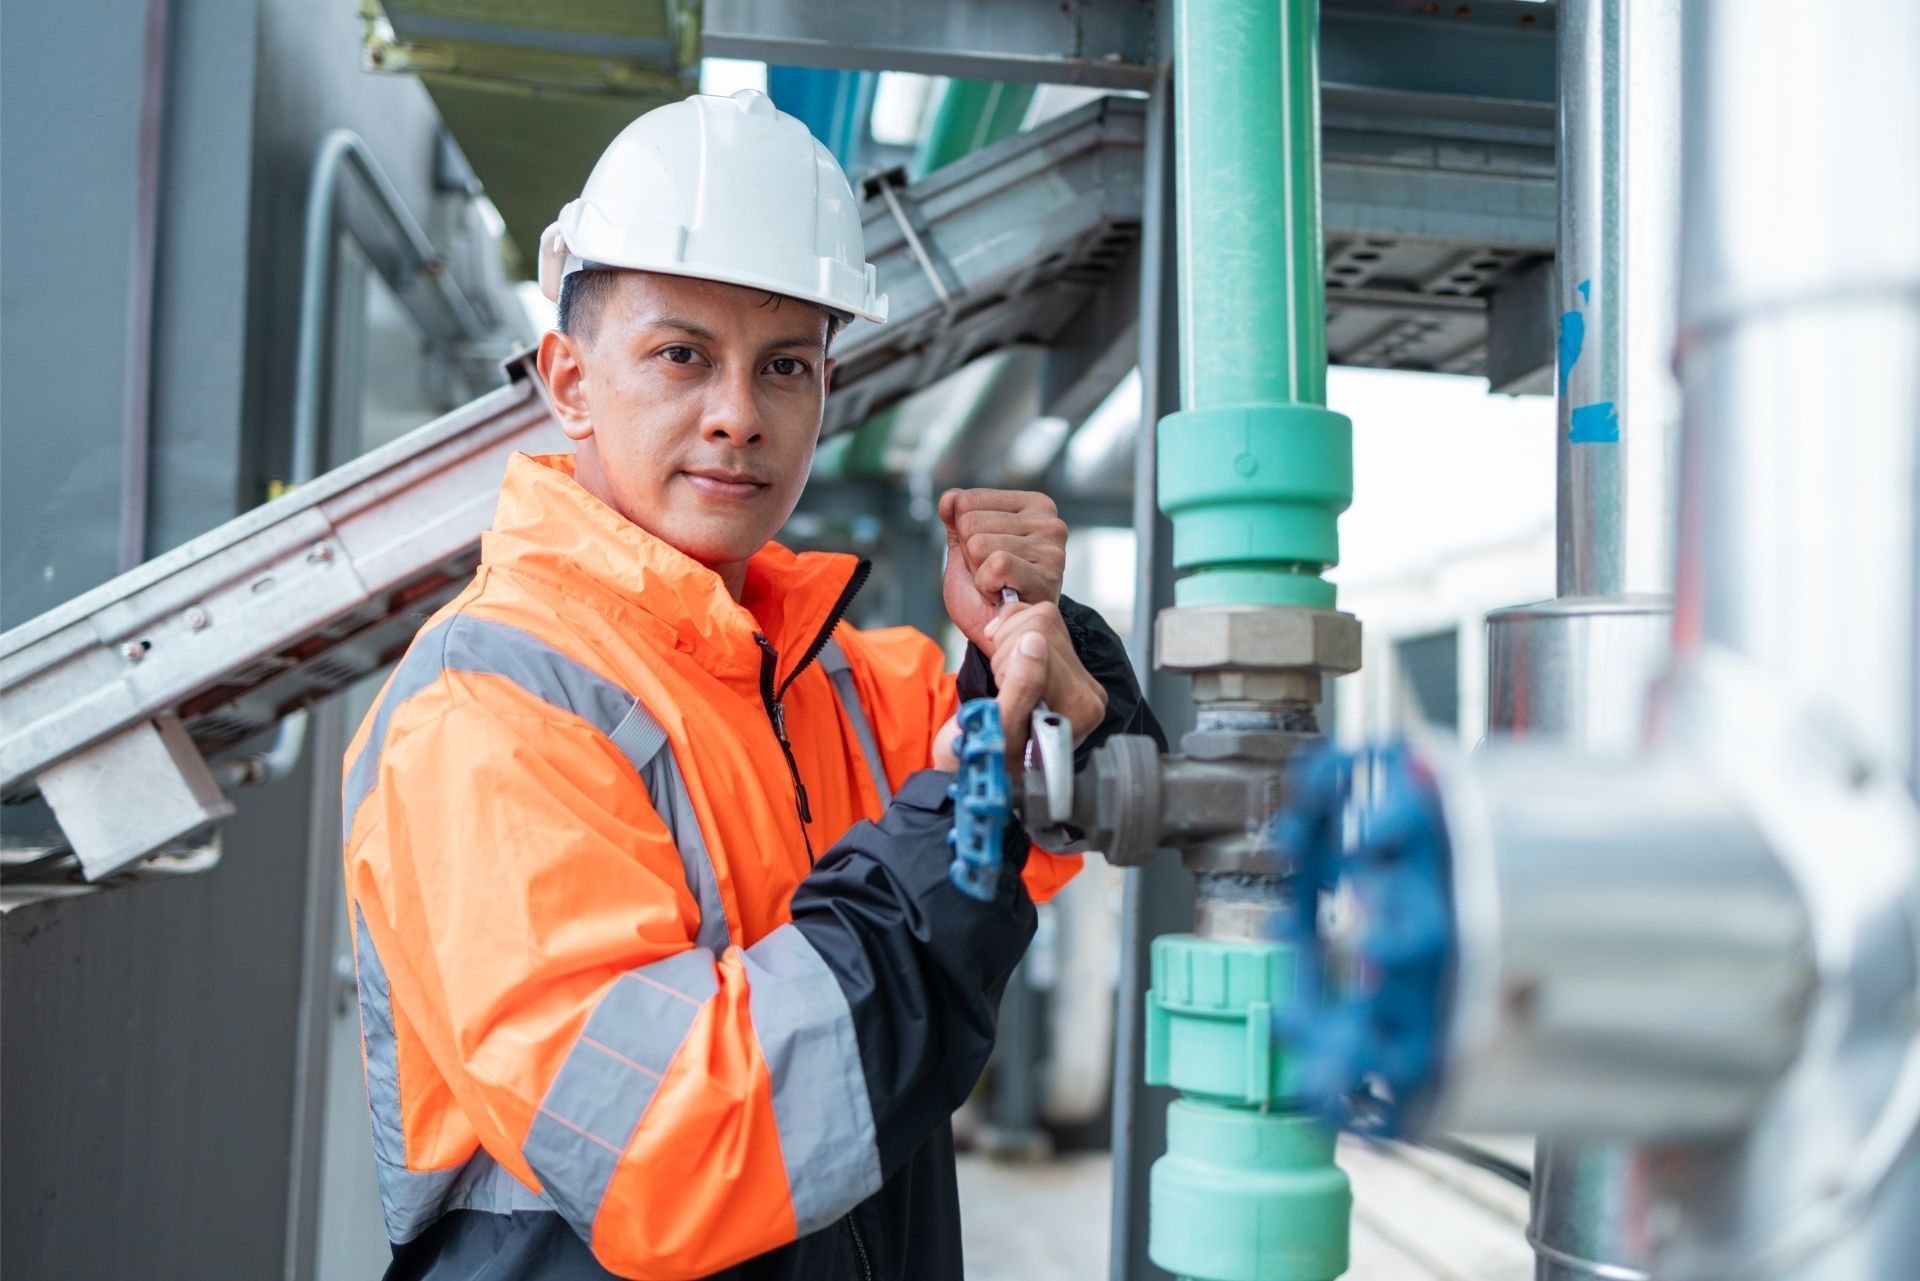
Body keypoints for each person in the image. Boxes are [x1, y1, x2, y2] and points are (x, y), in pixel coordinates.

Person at [342, 88, 1159, 1280]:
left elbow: (1039, 828)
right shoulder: (489, 709)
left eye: (786, 365)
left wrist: (1034, 660)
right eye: (682, 355)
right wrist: (966, 798)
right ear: (570, 382)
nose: (738, 416)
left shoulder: (830, 673)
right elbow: (675, 1149)